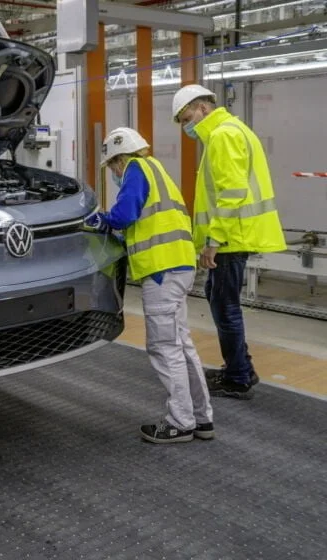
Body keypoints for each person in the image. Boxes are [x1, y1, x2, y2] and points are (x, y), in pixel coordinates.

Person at [85, 127, 213, 444]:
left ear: (118, 159)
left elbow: (126, 213)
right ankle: (201, 418)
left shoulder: (135, 168)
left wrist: (102, 220)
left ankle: (180, 423)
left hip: (161, 271)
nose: (114, 173)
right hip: (179, 265)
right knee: (182, 345)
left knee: (164, 346)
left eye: (112, 166)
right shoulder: (157, 170)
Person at [172, 84, 286, 400]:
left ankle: (238, 377)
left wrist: (214, 240)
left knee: (225, 305)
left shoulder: (223, 135)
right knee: (218, 297)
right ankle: (240, 367)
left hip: (230, 237)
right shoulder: (232, 130)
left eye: (187, 119)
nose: (186, 127)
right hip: (233, 234)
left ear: (203, 108)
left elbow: (232, 192)